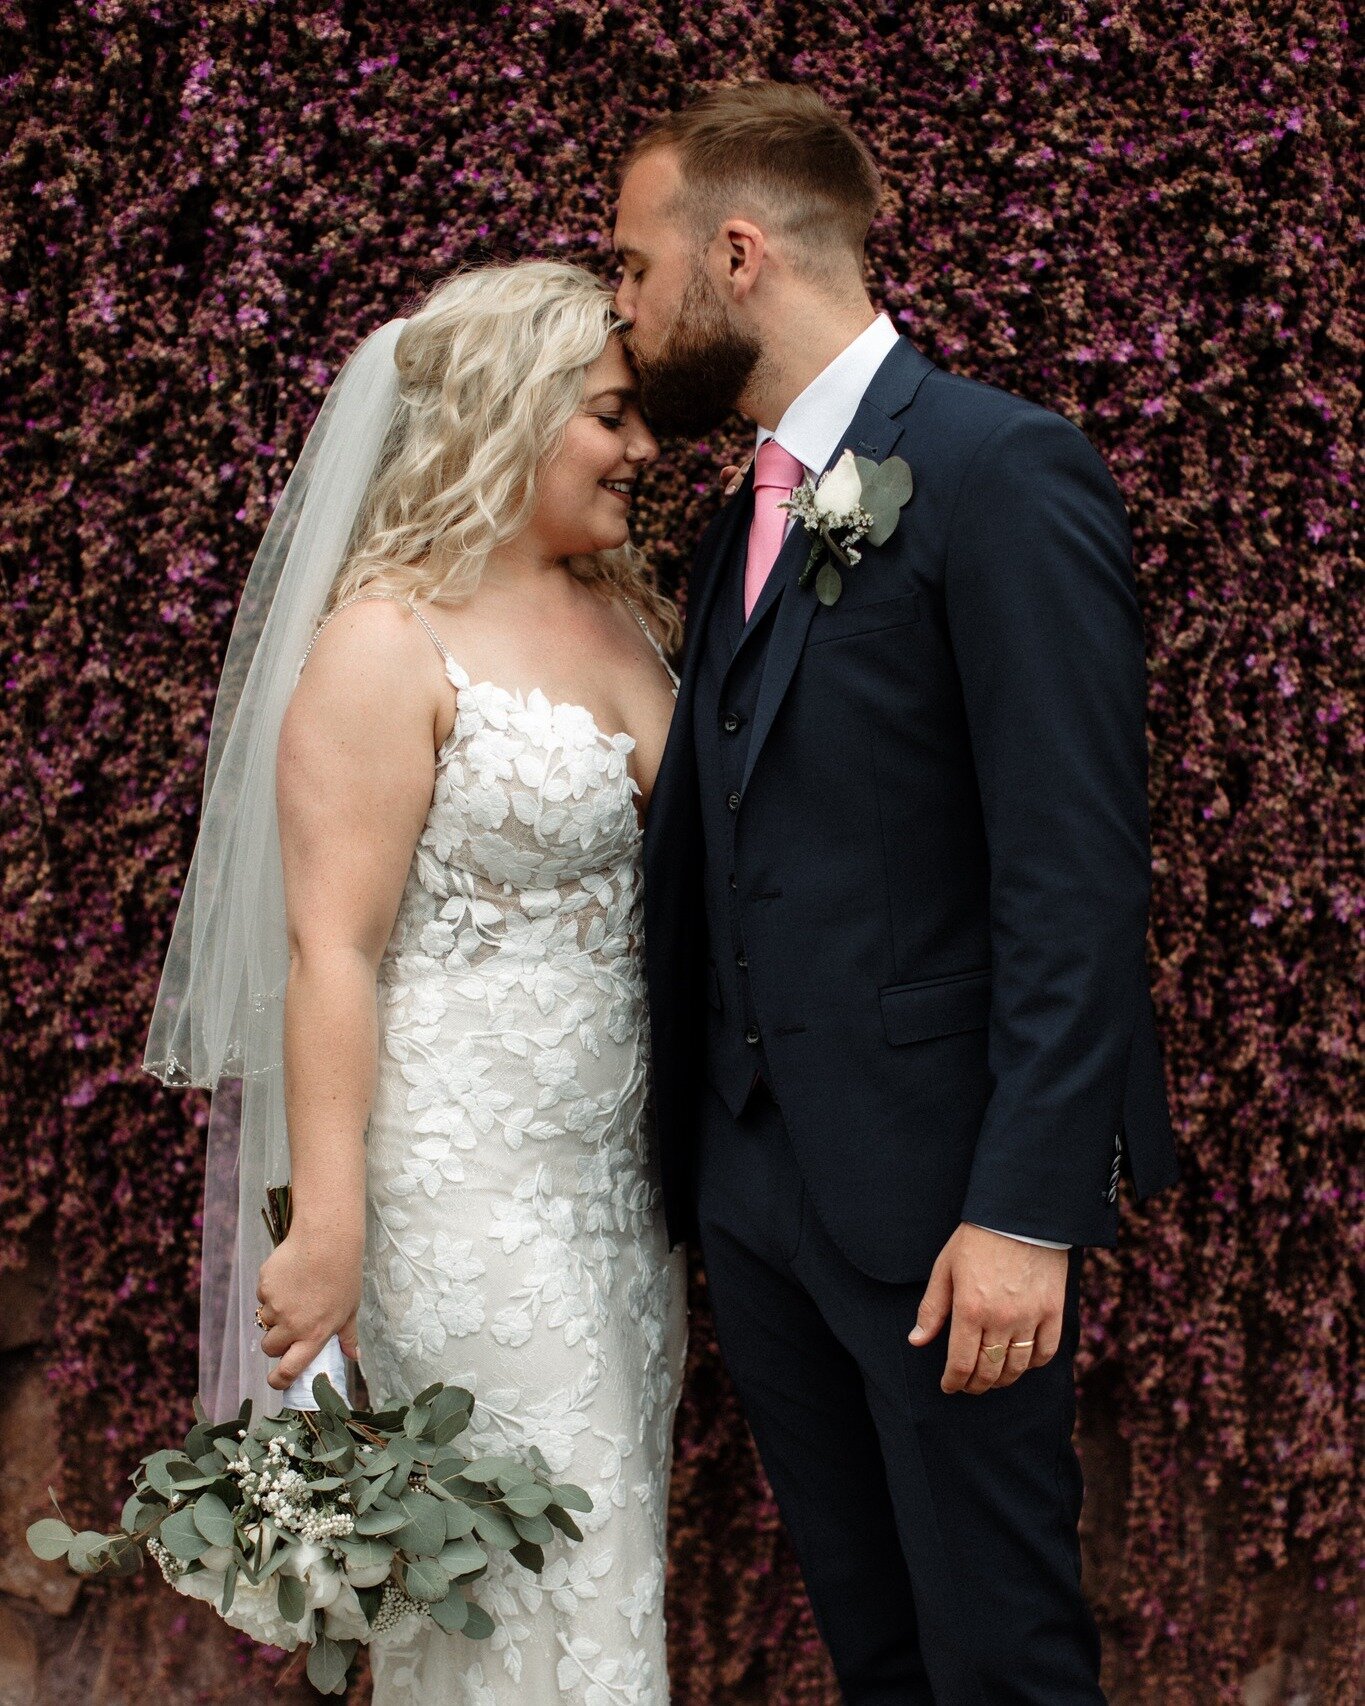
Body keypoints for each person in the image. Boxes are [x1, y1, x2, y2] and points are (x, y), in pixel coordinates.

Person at [613, 81, 1180, 1704]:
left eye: (634, 267)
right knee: (875, 1651)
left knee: (996, 1652)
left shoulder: (1004, 469)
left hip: (944, 1209)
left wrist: (1023, 1205)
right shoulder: (745, 511)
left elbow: (1072, 870)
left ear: (735, 253)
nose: (624, 309)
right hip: (759, 1192)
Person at [143, 261, 687, 1703]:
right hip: (464, 1192)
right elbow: (334, 948)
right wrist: (325, 1222)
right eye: (612, 415)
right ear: (511, 417)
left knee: (604, 1539)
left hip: (618, 1192)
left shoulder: (629, 623)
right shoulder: (387, 643)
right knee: (524, 1573)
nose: (643, 449)